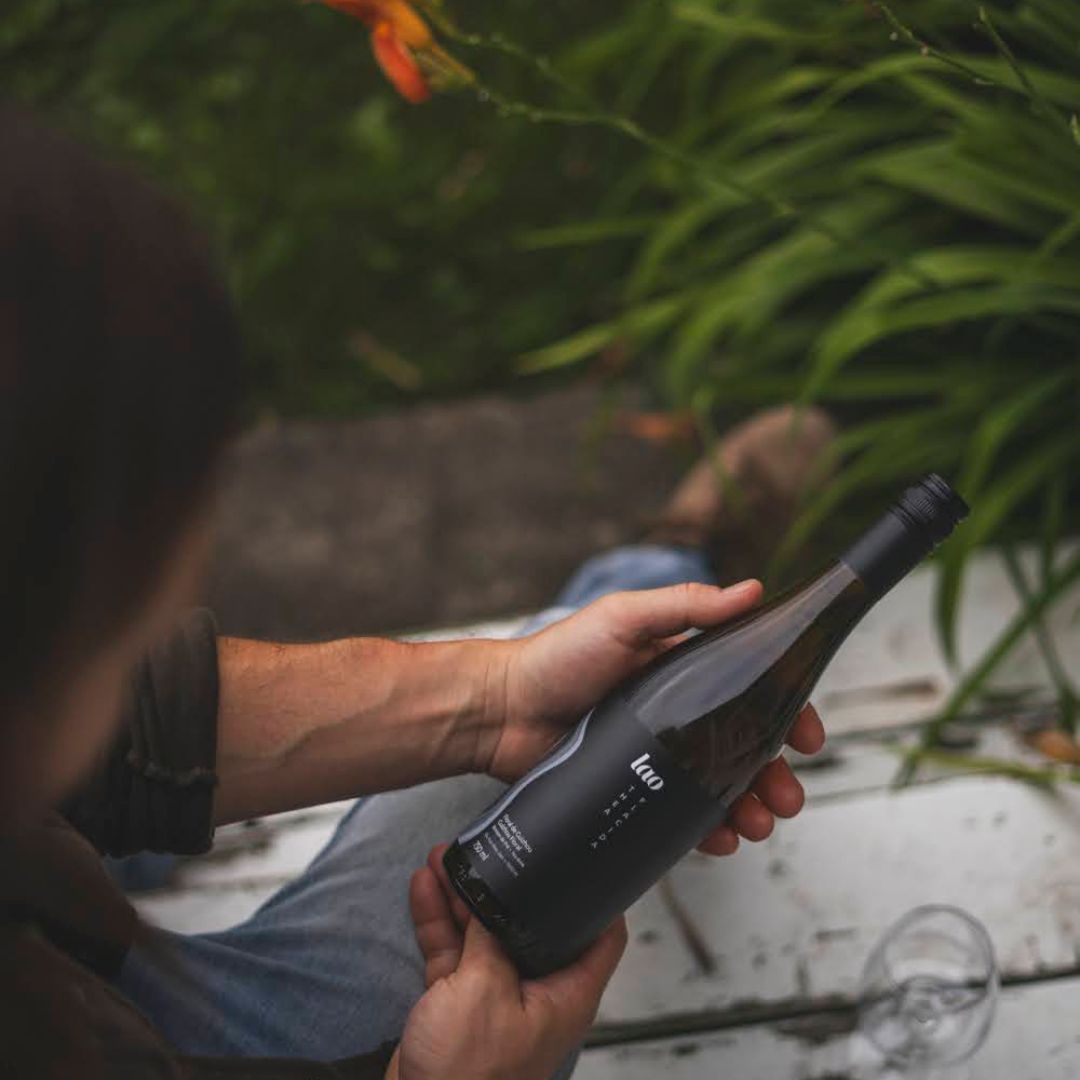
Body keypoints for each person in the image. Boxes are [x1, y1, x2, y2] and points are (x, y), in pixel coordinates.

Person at [0, 107, 831, 1080]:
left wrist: (497, 697)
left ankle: (670, 564)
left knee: (560, 720)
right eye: (126, 626)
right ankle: (673, 557)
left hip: (60, 948)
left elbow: (131, 722)